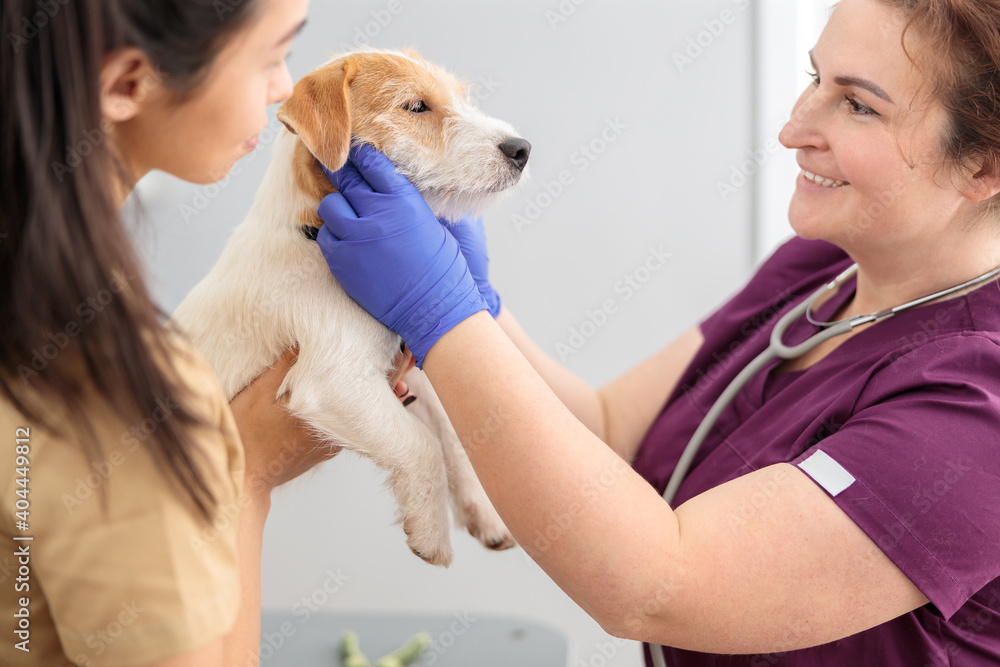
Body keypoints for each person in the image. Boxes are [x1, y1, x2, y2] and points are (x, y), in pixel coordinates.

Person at [315, 0, 1000, 665]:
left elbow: (658, 583)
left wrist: (441, 314)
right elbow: (608, 430)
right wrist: (480, 304)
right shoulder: (828, 264)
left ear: (984, 168)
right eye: (814, 78)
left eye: (858, 105)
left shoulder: (976, 406)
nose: (793, 128)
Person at [0, 0, 415, 665]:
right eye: (271, 56)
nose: (285, 87)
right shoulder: (117, 391)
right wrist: (245, 475)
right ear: (126, 84)